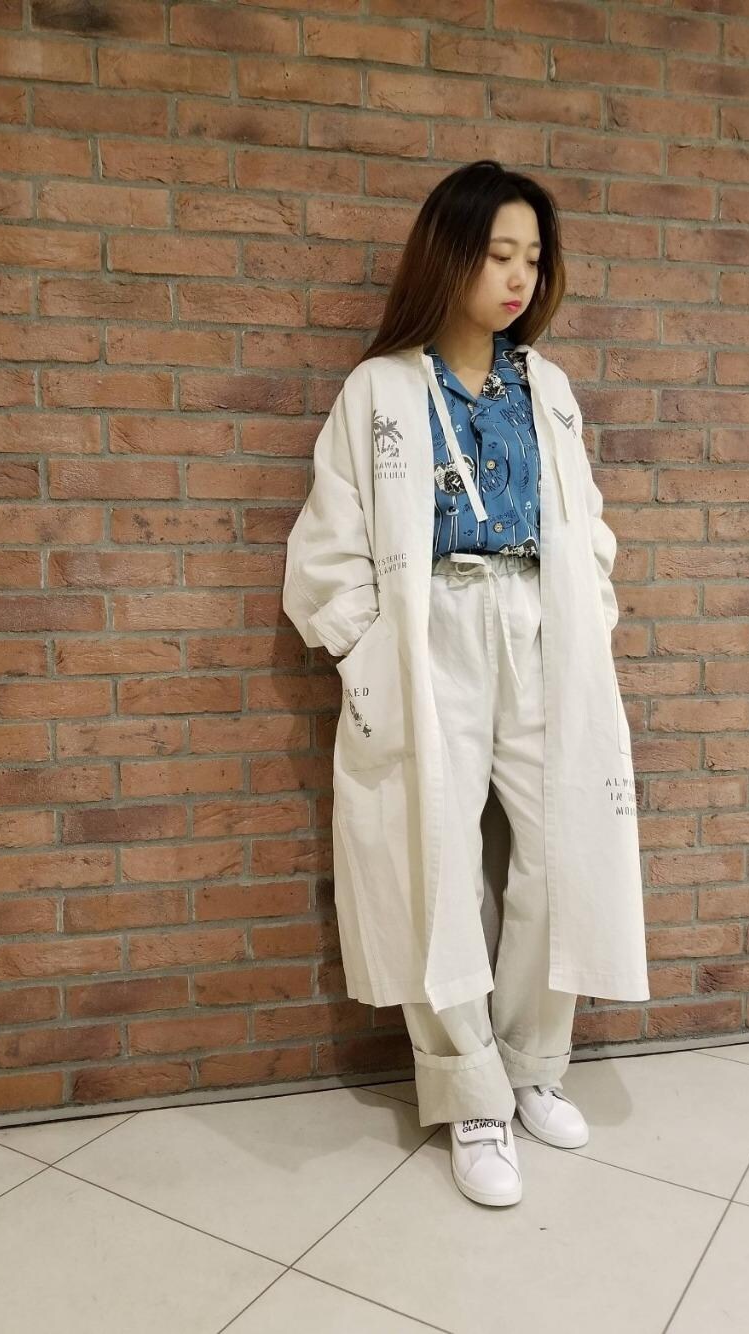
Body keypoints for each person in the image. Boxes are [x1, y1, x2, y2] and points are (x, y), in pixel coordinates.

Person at [282, 160, 649, 1209]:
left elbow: (586, 521)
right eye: (498, 255)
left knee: (559, 846)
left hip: (540, 623)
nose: (519, 277)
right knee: (435, 857)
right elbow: (328, 546)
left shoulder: (549, 390)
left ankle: (533, 1064)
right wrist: (364, 649)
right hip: (431, 625)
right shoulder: (381, 391)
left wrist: (591, 605)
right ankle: (468, 1094)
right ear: (448, 257)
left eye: (532, 258)